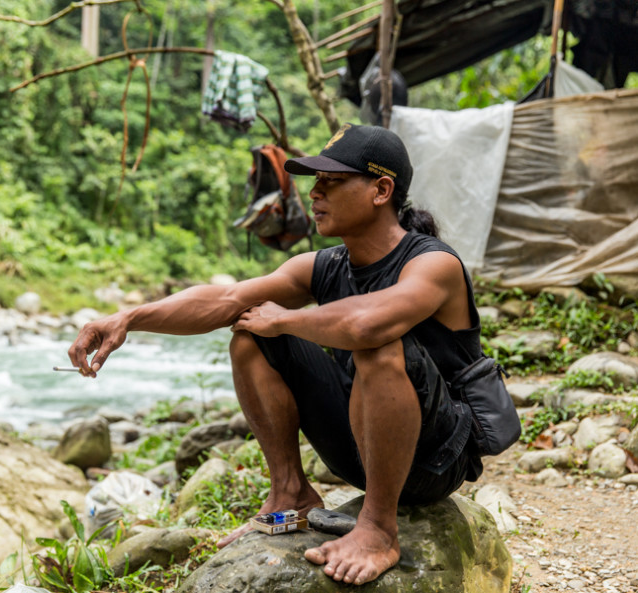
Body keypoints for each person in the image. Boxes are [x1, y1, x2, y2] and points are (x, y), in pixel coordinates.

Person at [67, 123, 484, 586]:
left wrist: (285, 319)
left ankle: (379, 529)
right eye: (315, 182)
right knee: (249, 335)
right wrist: (130, 317)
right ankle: (291, 494)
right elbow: (226, 300)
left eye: (332, 181)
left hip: (437, 458)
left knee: (375, 341)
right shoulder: (324, 266)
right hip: (363, 451)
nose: (315, 193)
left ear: (381, 189)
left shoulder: (434, 263)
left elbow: (369, 323)